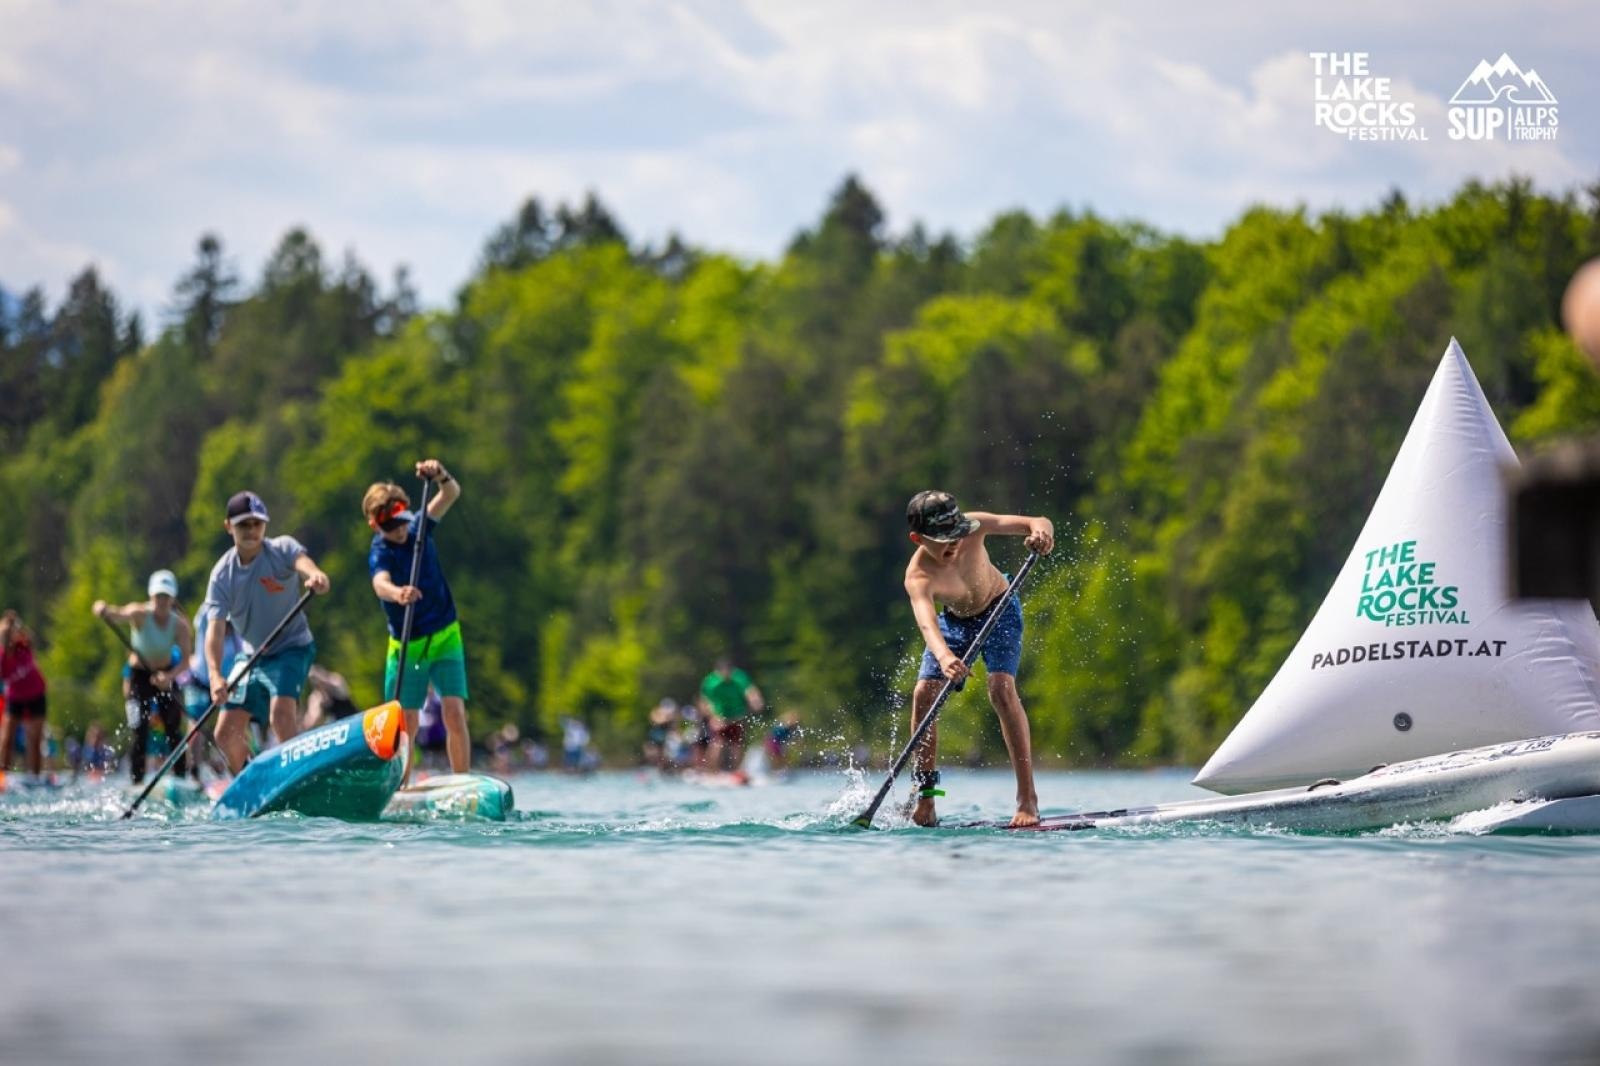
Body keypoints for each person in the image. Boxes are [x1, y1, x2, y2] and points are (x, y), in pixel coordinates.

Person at [902, 490, 1054, 828]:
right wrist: (944, 657)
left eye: (956, 533)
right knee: (924, 694)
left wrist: (1042, 535)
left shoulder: (975, 526)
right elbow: (927, 622)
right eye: (942, 538)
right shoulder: (918, 577)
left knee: (1001, 688)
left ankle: (1027, 799)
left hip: (1000, 607)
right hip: (955, 623)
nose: (954, 542)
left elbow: (1037, 521)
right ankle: (926, 799)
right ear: (918, 539)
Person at [201, 490, 329, 774]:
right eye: (243, 525)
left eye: (257, 524)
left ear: (265, 525)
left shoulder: (281, 549)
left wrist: (314, 576)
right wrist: (215, 675)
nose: (251, 531)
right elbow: (215, 631)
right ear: (228, 527)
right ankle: (250, 782)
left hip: (292, 647)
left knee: (280, 715)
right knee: (224, 734)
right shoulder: (221, 575)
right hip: (251, 657)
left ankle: (298, 777)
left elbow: (304, 564)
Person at [364, 458, 469, 779]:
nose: (398, 531)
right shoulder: (380, 551)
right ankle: (402, 787)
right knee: (406, 722)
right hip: (407, 646)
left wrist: (440, 475)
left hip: (445, 635)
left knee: (454, 712)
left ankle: (462, 782)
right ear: (375, 526)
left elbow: (451, 493)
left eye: (401, 523)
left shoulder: (419, 528)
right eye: (389, 527)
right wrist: (398, 593)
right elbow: (379, 583)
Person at [94, 570, 194, 785]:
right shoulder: (139, 613)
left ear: (172, 598)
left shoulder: (180, 625)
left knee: (173, 728)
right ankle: (137, 781)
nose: (162, 601)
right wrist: (103, 609)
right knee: (139, 729)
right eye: (158, 596)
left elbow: (186, 661)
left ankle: (181, 778)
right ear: (151, 596)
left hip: (166, 674)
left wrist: (169, 677)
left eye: (166, 596)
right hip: (139, 677)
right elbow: (116, 614)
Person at [0, 611, 48, 776]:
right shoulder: (2, 658)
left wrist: (16, 625)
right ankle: (3, 775)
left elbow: (30, 637)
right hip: (15, 698)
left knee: (34, 739)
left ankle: (35, 776)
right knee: (7, 739)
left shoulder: (24, 646)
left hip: (36, 694)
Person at [699, 657, 764, 772]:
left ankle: (736, 772)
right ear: (717, 671)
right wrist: (712, 717)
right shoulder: (711, 681)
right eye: (723, 673)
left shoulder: (739, 677)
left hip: (736, 716)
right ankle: (712, 772)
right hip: (719, 716)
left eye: (728, 672)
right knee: (717, 743)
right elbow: (704, 701)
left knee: (736, 744)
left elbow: (750, 691)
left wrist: (756, 701)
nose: (726, 675)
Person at [302, 663, 359, 730]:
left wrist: (321, 681)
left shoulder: (335, 680)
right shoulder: (316, 697)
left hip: (352, 718)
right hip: (337, 724)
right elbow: (313, 717)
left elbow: (343, 693)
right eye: (312, 679)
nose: (315, 681)